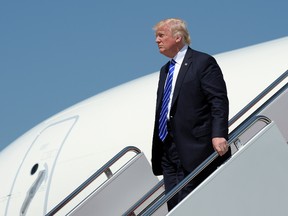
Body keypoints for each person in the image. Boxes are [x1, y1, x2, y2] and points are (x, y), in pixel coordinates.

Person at [151, 18, 231, 211]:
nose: (157, 40)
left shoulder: (203, 62)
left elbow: (218, 100)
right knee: (174, 206)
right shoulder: (165, 70)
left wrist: (219, 133)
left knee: (191, 203)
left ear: (178, 37)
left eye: (161, 35)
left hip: (195, 147)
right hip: (167, 151)